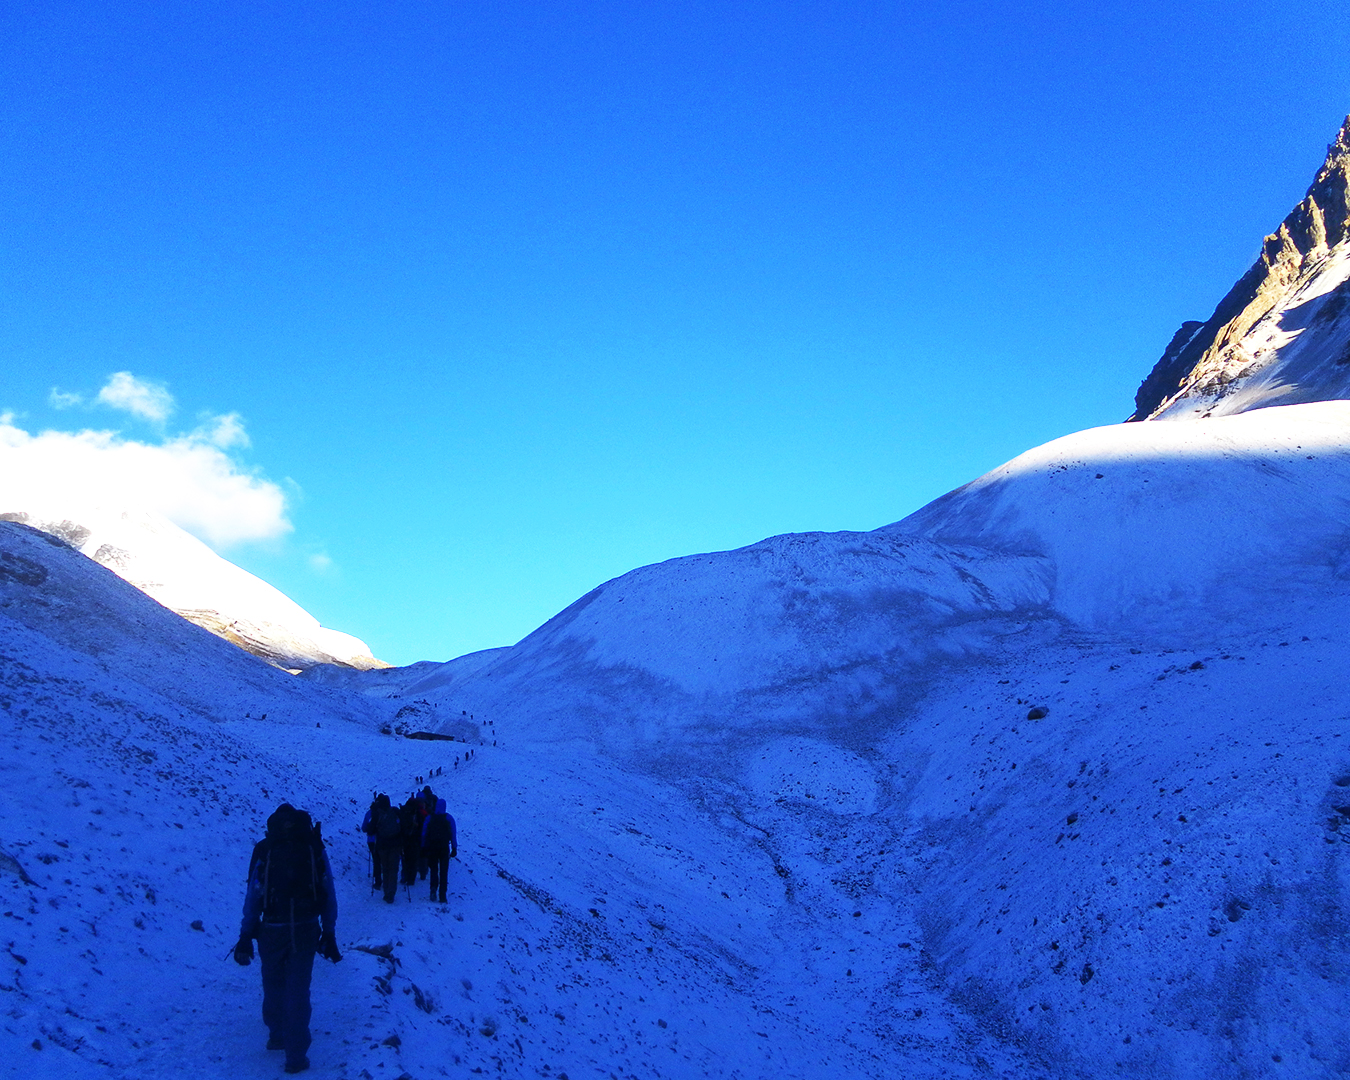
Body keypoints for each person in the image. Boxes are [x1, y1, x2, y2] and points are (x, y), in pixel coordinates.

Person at [234, 803, 341, 1075]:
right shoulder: (312, 846)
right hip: (306, 927)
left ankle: (277, 1034)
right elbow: (328, 887)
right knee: (298, 988)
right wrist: (328, 931)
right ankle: (295, 1056)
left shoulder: (266, 848)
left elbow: (253, 893)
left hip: (271, 928)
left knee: (272, 981)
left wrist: (246, 933)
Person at [421, 798, 457, 904]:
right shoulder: (449, 818)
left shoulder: (429, 818)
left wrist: (423, 846)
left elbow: (424, 833)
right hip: (444, 847)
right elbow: (453, 834)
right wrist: (454, 847)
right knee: (444, 871)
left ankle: (433, 889)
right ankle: (442, 895)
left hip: (432, 847)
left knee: (434, 869)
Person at [371, 793, 402, 903]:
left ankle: (386, 891)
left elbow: (370, 830)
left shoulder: (378, 815)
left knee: (385, 868)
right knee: (393, 869)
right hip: (395, 845)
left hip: (382, 846)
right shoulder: (395, 812)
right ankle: (391, 893)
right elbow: (403, 827)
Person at [360, 794, 381, 891]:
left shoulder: (369, 813)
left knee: (376, 860)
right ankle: (387, 880)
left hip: (371, 840)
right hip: (382, 839)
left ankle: (377, 881)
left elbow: (364, 828)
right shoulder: (384, 812)